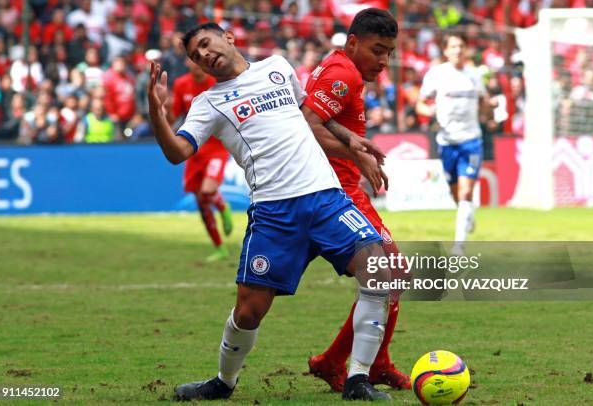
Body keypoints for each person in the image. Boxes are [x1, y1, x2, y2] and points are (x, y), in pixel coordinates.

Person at [148, 22, 394, 401]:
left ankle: (357, 378)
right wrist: (157, 111)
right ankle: (223, 382)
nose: (204, 56)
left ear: (227, 37)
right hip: (274, 213)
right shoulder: (208, 103)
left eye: (205, 44)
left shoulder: (276, 67)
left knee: (379, 271)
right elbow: (176, 152)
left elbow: (311, 120)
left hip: (325, 198)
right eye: (196, 56)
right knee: (248, 312)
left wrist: (351, 142)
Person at [301, 8, 411, 393]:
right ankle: (353, 363)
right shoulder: (342, 73)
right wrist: (355, 154)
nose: (383, 61)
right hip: (337, 192)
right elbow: (307, 125)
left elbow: (313, 119)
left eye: (389, 53)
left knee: (390, 274)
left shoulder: (342, 69)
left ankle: (350, 362)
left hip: (335, 188)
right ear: (353, 43)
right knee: (392, 270)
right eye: (377, 50)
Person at [416, 34, 496, 254]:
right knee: (455, 194)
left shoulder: (474, 76)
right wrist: (429, 111)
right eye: (453, 46)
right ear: (445, 50)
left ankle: (459, 244)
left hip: (471, 141)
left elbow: (484, 104)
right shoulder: (437, 75)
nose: (458, 50)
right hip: (447, 142)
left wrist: (491, 105)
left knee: (465, 191)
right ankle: (467, 215)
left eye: (461, 46)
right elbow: (420, 104)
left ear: (466, 50)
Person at [170, 57, 233, 262]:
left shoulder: (216, 82)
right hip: (194, 148)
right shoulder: (181, 84)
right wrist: (163, 107)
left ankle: (223, 207)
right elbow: (175, 115)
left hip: (216, 147)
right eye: (192, 60)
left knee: (208, 191)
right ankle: (220, 248)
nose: (196, 64)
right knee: (200, 201)